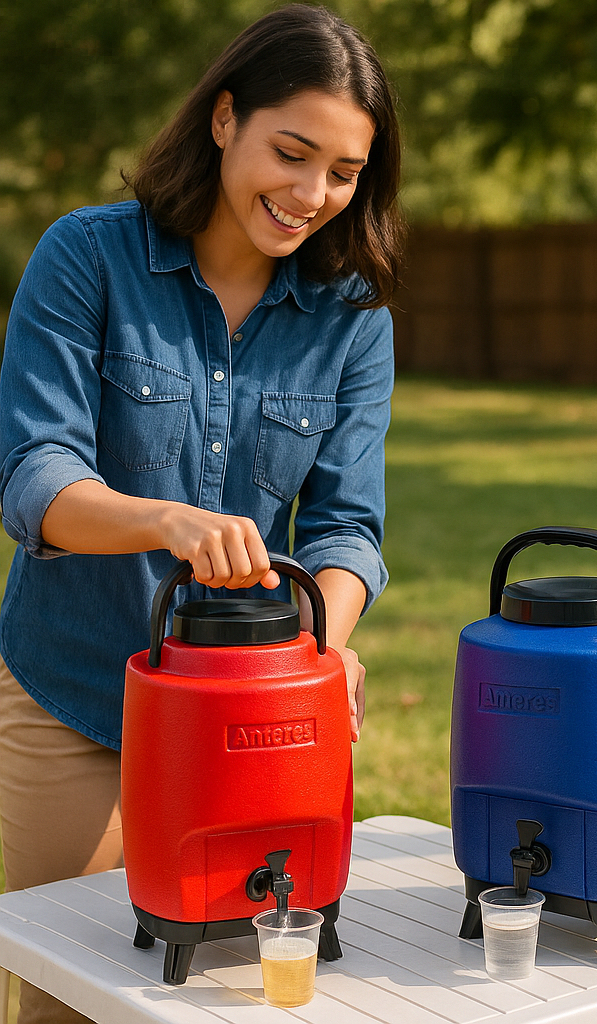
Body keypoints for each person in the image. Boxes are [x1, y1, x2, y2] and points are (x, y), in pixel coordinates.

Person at [0, 6, 402, 1021]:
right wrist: (168, 521)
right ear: (226, 120)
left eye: (344, 171)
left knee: (233, 994)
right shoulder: (87, 257)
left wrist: (320, 650)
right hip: (75, 701)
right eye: (292, 151)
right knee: (64, 998)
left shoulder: (354, 321)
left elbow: (348, 528)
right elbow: (36, 479)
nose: (311, 194)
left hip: (254, 719)